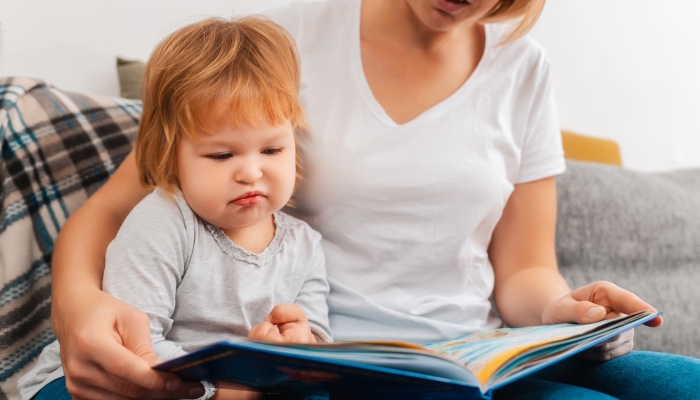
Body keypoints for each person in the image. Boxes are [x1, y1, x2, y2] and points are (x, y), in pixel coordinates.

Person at [48, 0, 700, 399]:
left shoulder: (523, 67)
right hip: (327, 366)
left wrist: (563, 307)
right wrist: (78, 307)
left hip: (472, 359)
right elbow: (117, 207)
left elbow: (524, 269)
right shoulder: (277, 45)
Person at [20, 17, 332, 400]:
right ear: (171, 159)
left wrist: (301, 343)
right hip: (115, 378)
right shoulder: (163, 223)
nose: (252, 172)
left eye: (272, 150)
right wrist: (223, 391)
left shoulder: (305, 244)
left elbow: (318, 333)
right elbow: (137, 348)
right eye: (221, 155)